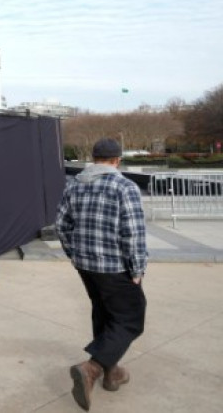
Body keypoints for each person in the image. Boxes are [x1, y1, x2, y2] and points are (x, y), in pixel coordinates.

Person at [55, 138, 147, 411]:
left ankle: (111, 374)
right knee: (131, 318)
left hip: (85, 265)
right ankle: (93, 368)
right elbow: (132, 232)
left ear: (93, 158)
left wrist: (74, 254)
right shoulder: (124, 186)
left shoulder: (74, 185)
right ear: (117, 160)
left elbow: (61, 224)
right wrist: (137, 268)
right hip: (115, 267)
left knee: (104, 314)